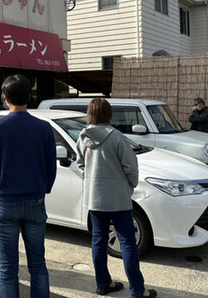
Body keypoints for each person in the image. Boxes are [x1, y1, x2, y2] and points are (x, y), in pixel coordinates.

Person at [0, 74, 57, 298]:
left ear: (5, 98)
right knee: (38, 265)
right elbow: (50, 167)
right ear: (29, 97)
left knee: (8, 268)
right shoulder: (44, 128)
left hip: (5, 201)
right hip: (35, 201)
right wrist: (43, 188)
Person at [77, 98, 157, 298]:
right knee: (127, 242)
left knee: (98, 240)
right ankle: (138, 290)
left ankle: (103, 284)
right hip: (118, 198)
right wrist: (129, 186)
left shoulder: (83, 137)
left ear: (90, 114)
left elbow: (80, 164)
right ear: (109, 114)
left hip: (95, 198)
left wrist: (91, 180)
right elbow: (131, 167)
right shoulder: (117, 137)